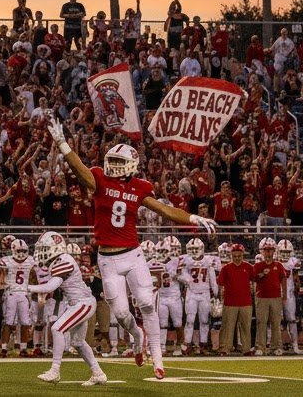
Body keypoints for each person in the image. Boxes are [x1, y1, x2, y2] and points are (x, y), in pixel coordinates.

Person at [46, 114, 216, 380]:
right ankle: (137, 336)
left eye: (119, 162)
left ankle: (157, 359)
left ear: (132, 164)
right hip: (108, 259)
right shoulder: (100, 179)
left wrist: (193, 217)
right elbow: (82, 172)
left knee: (147, 302)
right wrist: (63, 145)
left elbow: (164, 209)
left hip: (133, 254)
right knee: (123, 314)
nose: (113, 165)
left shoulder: (139, 187)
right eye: (111, 160)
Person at [31, 231, 107, 386]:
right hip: (77, 303)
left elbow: (52, 286)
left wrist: (27, 287)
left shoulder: (64, 260)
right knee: (78, 342)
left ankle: (55, 370)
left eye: (45, 249)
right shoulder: (58, 261)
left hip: (83, 303)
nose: (41, 252)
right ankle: (98, 373)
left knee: (57, 329)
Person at [0, 237, 36, 358]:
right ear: (13, 250)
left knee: (25, 322)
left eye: (23, 251)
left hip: (24, 293)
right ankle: (4, 349)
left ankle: (23, 348)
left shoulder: (30, 260)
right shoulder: (6, 260)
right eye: (19, 250)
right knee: (8, 322)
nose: (21, 253)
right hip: (11, 293)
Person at [180, 237, 219, 355]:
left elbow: (212, 279)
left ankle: (202, 345)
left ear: (201, 248)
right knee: (190, 320)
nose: (193, 251)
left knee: (204, 321)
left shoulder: (208, 260)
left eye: (196, 249)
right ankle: (187, 344)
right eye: (191, 249)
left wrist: (216, 295)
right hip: (191, 293)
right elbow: (179, 274)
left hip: (205, 293)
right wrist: (187, 279)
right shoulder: (185, 260)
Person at [216, 243, 254, 355]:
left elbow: (255, 279)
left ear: (243, 255)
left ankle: (246, 349)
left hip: (245, 302)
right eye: (235, 256)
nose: (237, 258)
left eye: (239, 256)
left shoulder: (248, 267)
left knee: (245, 327)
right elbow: (220, 284)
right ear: (231, 256)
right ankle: (224, 348)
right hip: (230, 302)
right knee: (228, 326)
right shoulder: (226, 268)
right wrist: (220, 299)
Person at [253, 237, 285, 356]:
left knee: (276, 323)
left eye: (270, 250)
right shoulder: (258, 265)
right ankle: (260, 346)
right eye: (266, 250)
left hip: (276, 296)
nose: (268, 253)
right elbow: (254, 278)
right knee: (261, 322)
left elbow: (283, 280)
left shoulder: (279, 265)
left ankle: (276, 346)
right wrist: (262, 274)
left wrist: (284, 295)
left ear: (273, 251)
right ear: (263, 252)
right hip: (261, 297)